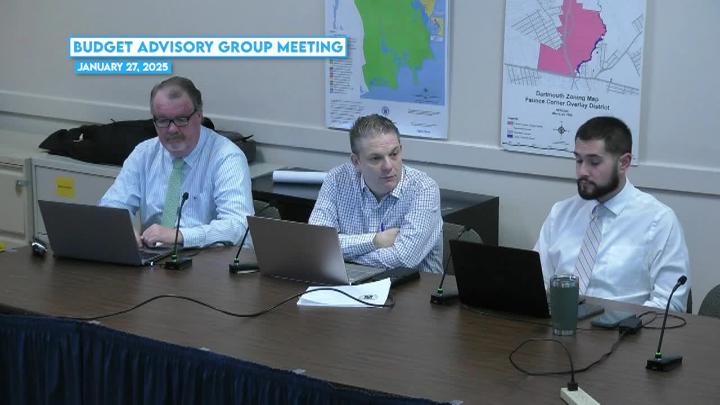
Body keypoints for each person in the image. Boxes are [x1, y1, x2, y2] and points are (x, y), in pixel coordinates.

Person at [534, 116, 690, 311]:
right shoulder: (561, 213)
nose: (582, 171)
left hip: (624, 327)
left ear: (623, 163)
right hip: (559, 323)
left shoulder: (659, 221)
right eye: (578, 160)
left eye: (594, 162)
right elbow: (537, 283)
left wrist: (619, 323)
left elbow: (669, 305)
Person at [100, 76, 253, 248]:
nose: (172, 129)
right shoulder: (144, 153)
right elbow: (112, 206)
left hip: (208, 259)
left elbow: (238, 225)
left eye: (181, 119)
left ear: (199, 115)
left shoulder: (227, 157)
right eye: (163, 121)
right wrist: (123, 230)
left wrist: (180, 236)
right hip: (154, 258)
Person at [309, 114, 443, 273]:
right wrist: (376, 240)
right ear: (356, 162)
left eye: (394, 154)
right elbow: (317, 243)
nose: (388, 166)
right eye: (376, 158)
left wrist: (340, 255)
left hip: (414, 286)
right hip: (350, 283)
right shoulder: (337, 179)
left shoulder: (423, 189)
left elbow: (403, 259)